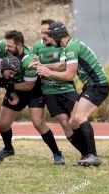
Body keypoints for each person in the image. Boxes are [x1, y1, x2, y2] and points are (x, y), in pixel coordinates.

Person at [0, 30, 61, 163]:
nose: (7, 48)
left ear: (19, 45)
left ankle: (57, 153)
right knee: (3, 124)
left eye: (10, 46)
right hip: (14, 87)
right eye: (7, 45)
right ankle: (8, 149)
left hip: (33, 90)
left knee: (38, 123)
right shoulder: (4, 45)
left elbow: (28, 86)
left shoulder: (29, 60)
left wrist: (5, 84)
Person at [36, 21, 109, 166]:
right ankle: (86, 155)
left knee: (79, 116)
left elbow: (69, 75)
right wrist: (43, 66)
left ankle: (93, 156)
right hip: (90, 86)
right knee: (72, 122)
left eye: (50, 37)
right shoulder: (68, 46)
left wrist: (48, 72)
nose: (48, 40)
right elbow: (62, 65)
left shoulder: (71, 47)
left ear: (57, 36)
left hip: (98, 85)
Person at [31, 19, 80, 164]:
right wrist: (33, 65)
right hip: (49, 91)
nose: (43, 36)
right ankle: (81, 153)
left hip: (67, 88)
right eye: (41, 32)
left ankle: (89, 151)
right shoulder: (37, 46)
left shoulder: (63, 46)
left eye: (46, 33)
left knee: (77, 121)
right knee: (64, 122)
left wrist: (45, 67)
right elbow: (32, 63)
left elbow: (64, 66)